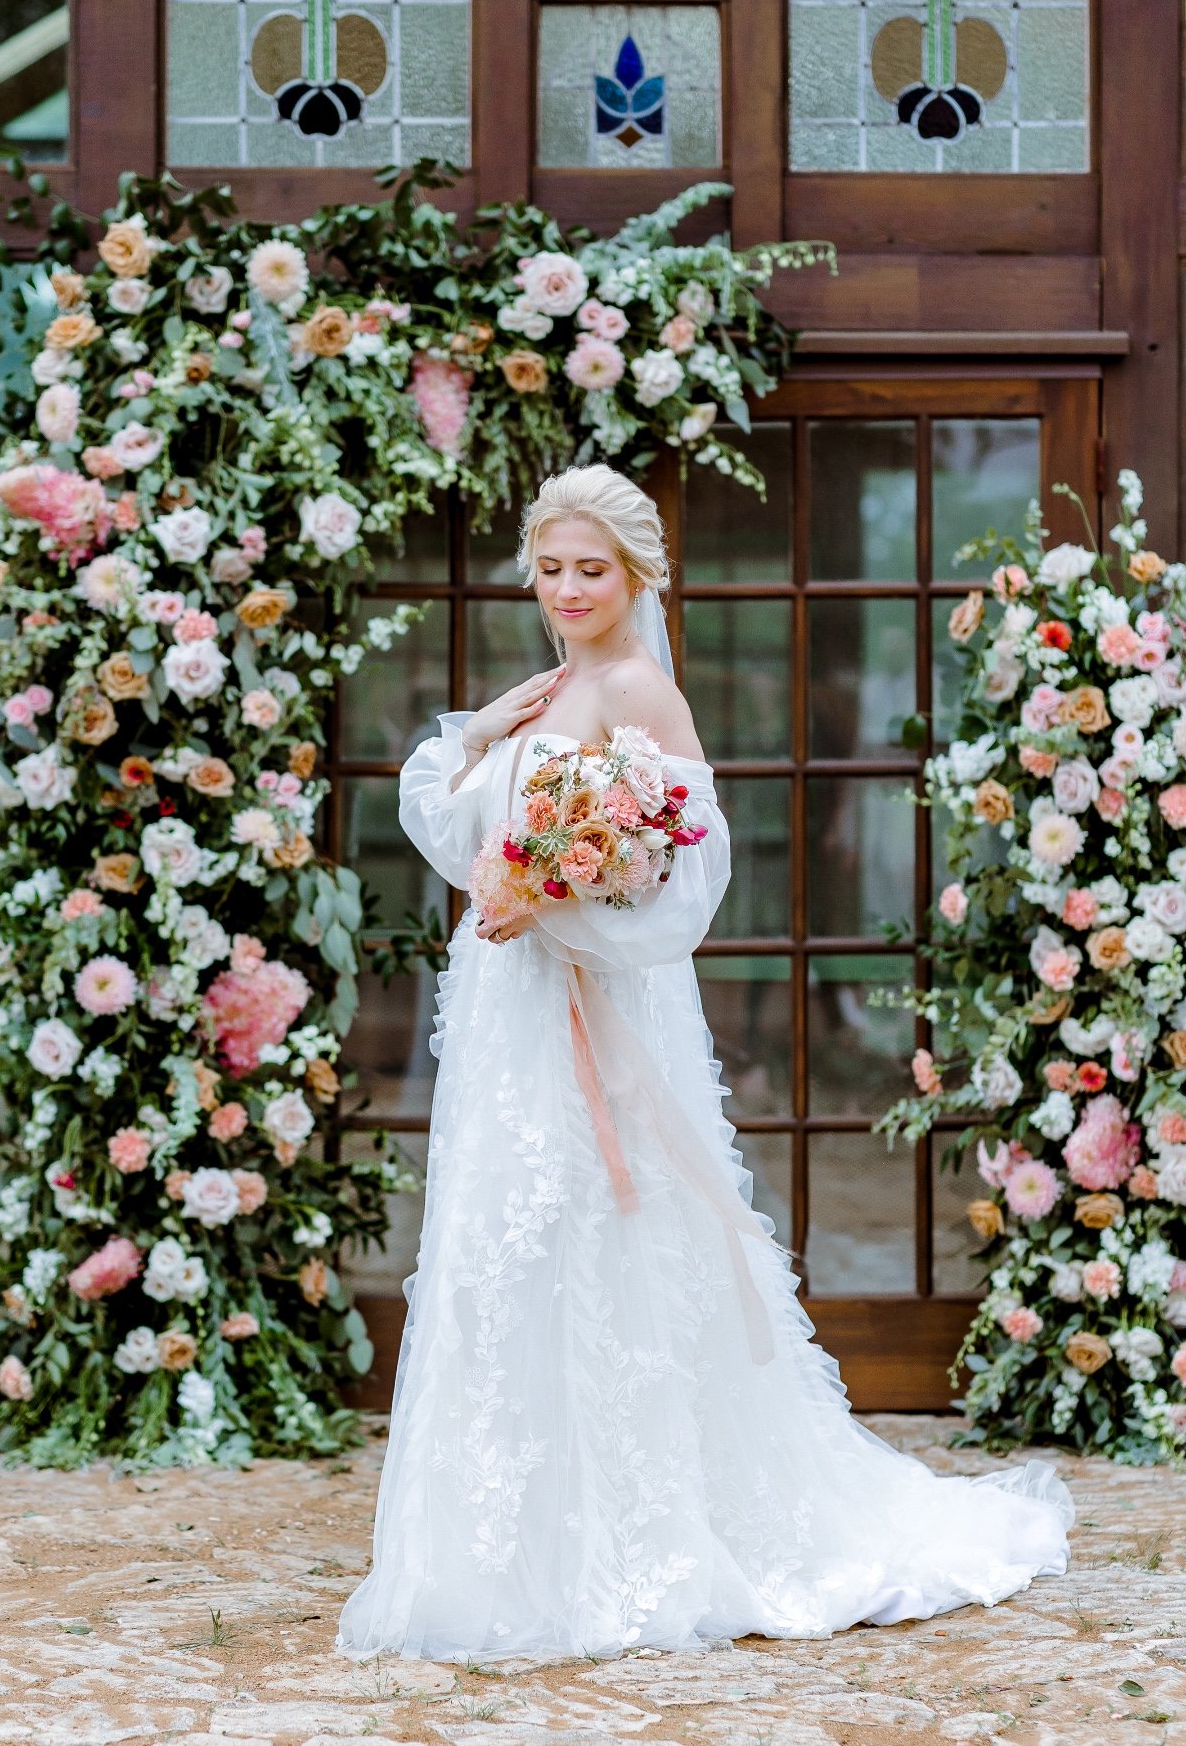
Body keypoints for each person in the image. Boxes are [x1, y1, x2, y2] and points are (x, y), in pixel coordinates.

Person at [335, 464, 1074, 1665]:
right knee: (508, 1234)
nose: (569, 589)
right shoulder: (555, 685)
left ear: (637, 576)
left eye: (593, 570)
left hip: (587, 1013)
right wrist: (475, 740)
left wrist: (553, 904)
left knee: (602, 1233)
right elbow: (458, 824)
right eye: (554, 567)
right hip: (510, 1021)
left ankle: (634, 1533)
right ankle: (502, 1540)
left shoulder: (643, 694)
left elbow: (683, 889)